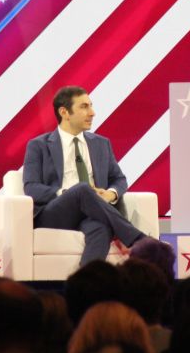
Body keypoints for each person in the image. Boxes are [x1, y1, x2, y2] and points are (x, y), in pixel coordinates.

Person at [23, 85, 144, 266]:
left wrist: (110, 194)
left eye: (91, 106)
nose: (92, 113)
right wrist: (66, 193)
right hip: (54, 213)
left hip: (92, 211)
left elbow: (119, 179)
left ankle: (88, 279)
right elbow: (31, 187)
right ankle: (139, 240)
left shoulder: (101, 143)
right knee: (82, 189)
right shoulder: (38, 145)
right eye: (84, 107)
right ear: (64, 112)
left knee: (101, 228)